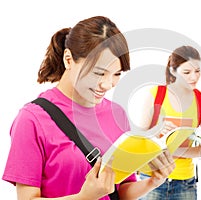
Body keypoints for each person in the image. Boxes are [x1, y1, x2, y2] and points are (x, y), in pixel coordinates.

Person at [2, 16, 176, 200]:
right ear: (69, 60)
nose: (107, 84)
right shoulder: (32, 119)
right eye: (98, 73)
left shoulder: (116, 113)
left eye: (116, 74)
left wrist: (153, 182)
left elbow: (120, 191)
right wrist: (84, 197)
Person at [135, 45, 201, 199]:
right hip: (151, 178)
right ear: (172, 71)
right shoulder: (156, 94)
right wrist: (155, 131)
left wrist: (171, 150)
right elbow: (138, 136)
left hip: (185, 182)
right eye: (187, 72)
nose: (194, 77)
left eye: (197, 71)